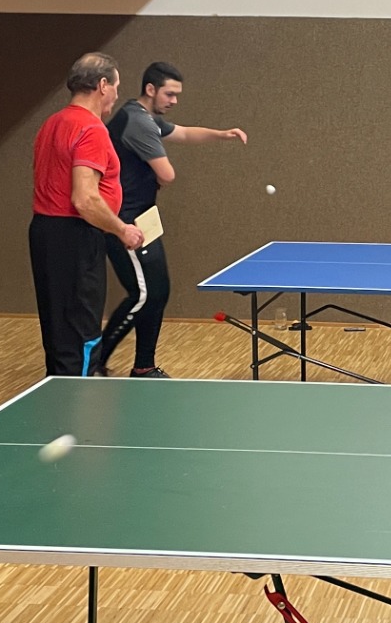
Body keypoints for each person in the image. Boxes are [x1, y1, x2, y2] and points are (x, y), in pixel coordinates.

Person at [92, 62, 247, 379]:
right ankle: (94, 363)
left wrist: (222, 134)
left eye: (177, 95)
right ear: (151, 89)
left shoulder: (144, 116)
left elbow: (184, 133)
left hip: (142, 218)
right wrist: (158, 178)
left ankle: (144, 366)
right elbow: (167, 174)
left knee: (158, 292)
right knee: (142, 295)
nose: (174, 100)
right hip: (124, 223)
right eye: (170, 94)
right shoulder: (138, 122)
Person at [31, 53, 144, 379]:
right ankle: (78, 403)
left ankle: (57, 396)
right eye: (116, 86)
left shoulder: (52, 123)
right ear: (102, 85)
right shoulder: (91, 129)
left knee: (59, 332)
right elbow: (84, 198)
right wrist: (122, 230)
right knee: (81, 335)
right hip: (76, 237)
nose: (117, 94)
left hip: (45, 233)